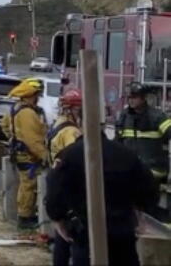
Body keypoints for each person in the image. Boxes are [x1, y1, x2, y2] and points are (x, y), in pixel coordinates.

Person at [45, 129, 159, 266]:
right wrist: (141, 212)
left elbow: (54, 188)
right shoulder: (126, 153)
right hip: (122, 232)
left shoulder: (69, 155)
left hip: (86, 233)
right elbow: (149, 186)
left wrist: (57, 219)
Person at [2, 77, 48, 230]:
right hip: (29, 156)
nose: (38, 99)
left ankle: (26, 214)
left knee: (25, 184)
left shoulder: (16, 108)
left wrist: (14, 138)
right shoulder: (28, 113)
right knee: (29, 185)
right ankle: (25, 217)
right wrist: (45, 157)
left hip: (20, 153)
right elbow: (34, 140)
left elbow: (5, 126)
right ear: (31, 94)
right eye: (37, 95)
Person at [46, 88, 83, 266]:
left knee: (61, 233)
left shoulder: (57, 124)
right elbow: (76, 157)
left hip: (57, 182)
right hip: (70, 187)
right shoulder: (71, 132)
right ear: (72, 109)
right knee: (74, 235)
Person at [116, 82, 171, 191]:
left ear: (143, 98)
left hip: (154, 172)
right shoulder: (124, 118)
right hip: (130, 172)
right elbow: (117, 144)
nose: (131, 100)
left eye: (134, 97)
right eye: (129, 97)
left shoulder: (157, 117)